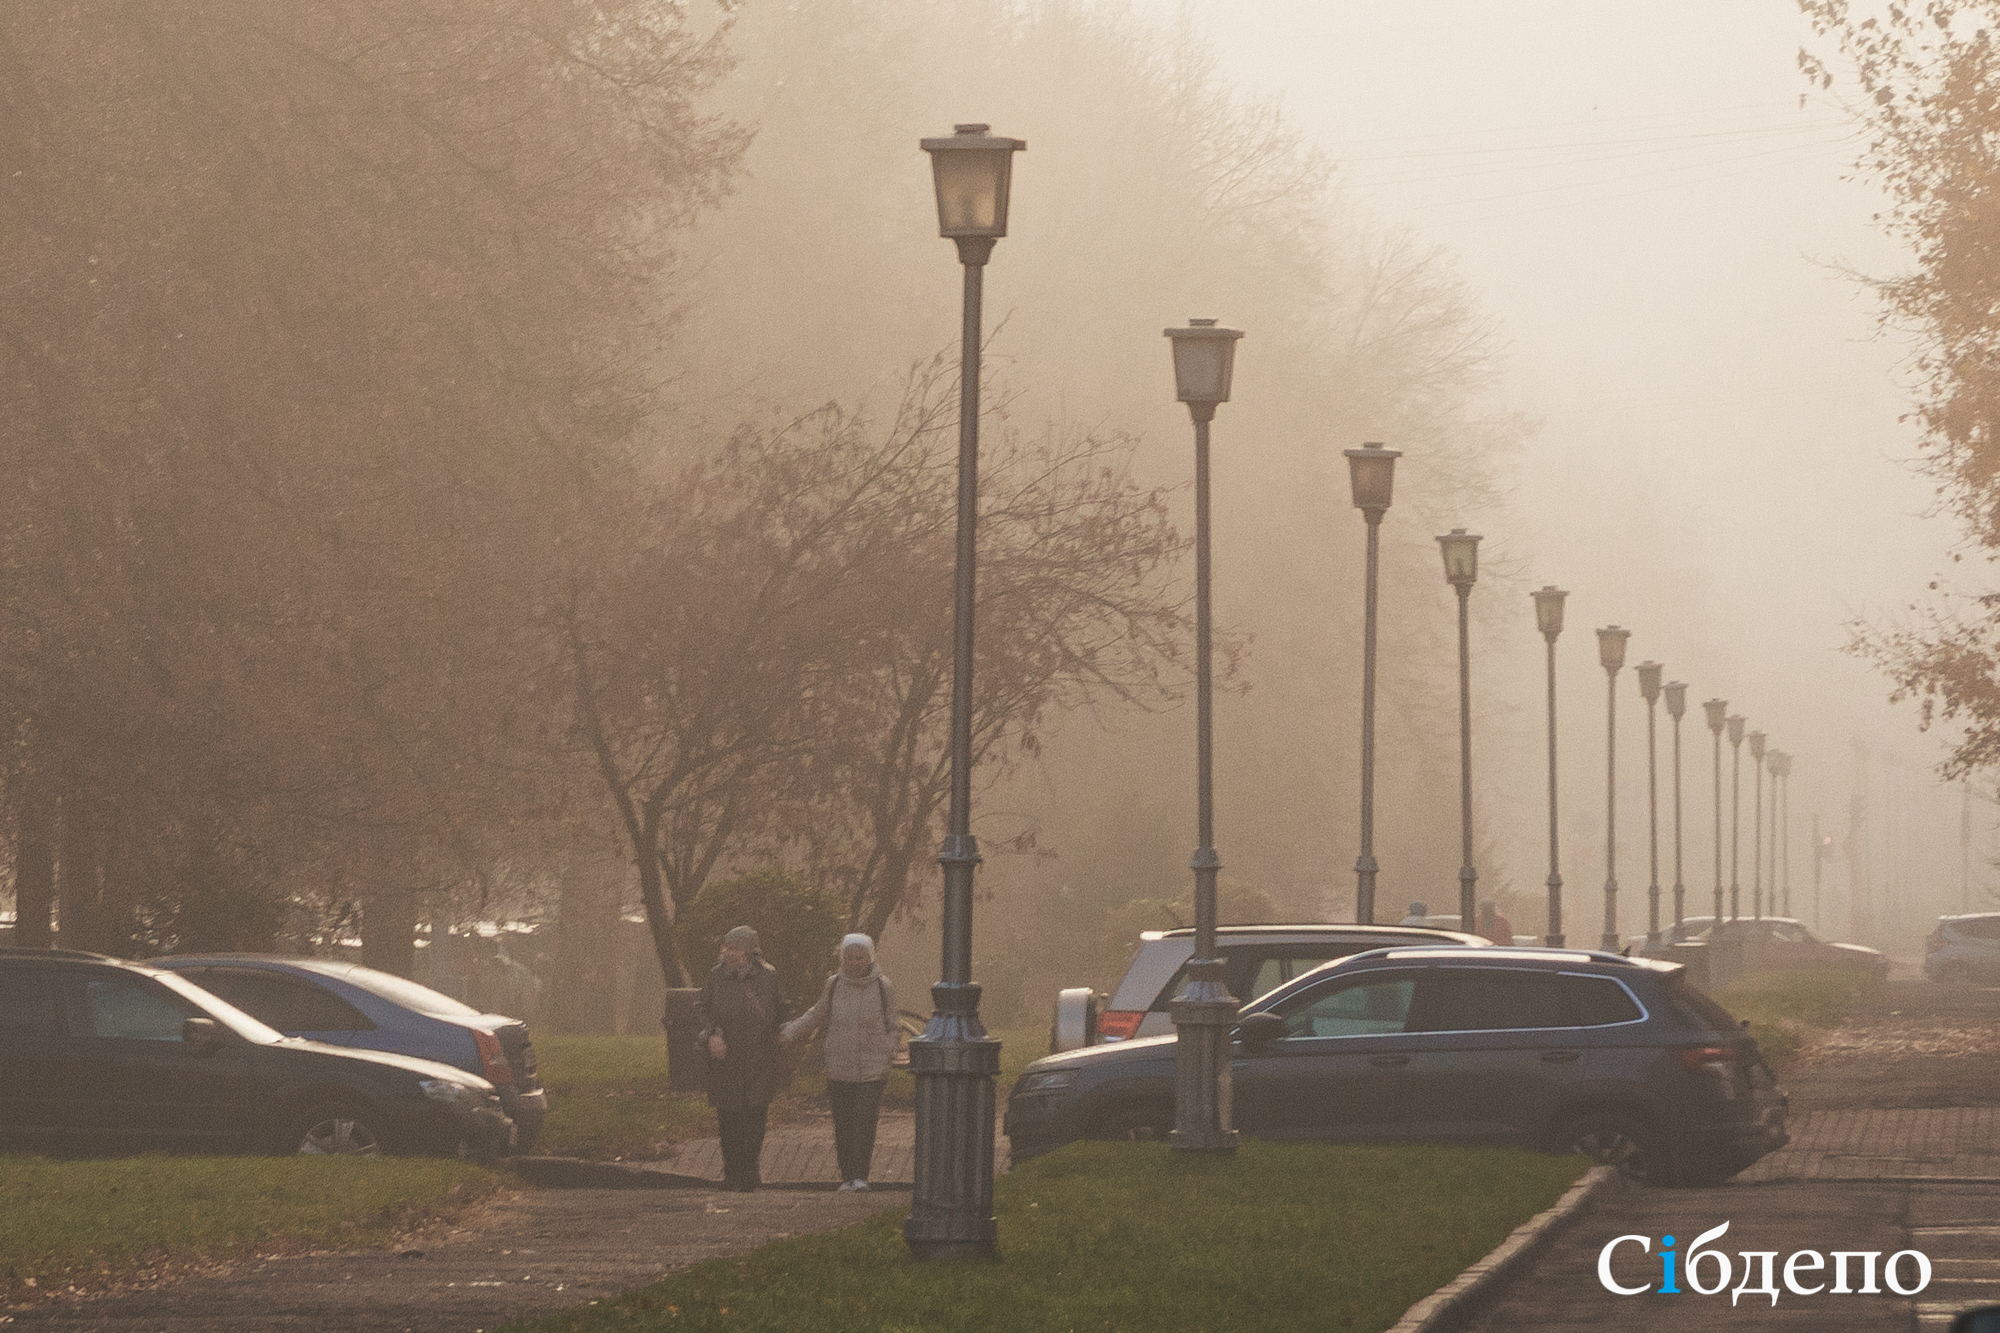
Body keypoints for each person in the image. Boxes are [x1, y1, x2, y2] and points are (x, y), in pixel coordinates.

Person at [782, 933, 900, 1192]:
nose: (855, 963)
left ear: (870, 959)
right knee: (843, 1123)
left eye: (860, 958)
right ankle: (847, 1177)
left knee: (864, 1122)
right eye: (849, 958)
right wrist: (790, 1031)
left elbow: (893, 1024)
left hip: (873, 1068)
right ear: (842, 959)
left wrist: (888, 1051)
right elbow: (817, 1013)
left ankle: (861, 1176)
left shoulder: (883, 987)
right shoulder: (833, 985)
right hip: (839, 1066)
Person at [694, 925, 787, 1192]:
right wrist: (712, 1035)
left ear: (748, 952)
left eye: (734, 948)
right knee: (728, 1118)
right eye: (727, 947)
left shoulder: (768, 977)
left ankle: (750, 1171)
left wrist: (781, 1036)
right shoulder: (716, 977)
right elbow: (702, 1009)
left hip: (758, 1058)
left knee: (755, 1116)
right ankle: (732, 1172)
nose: (728, 953)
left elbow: (781, 1009)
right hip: (726, 1059)